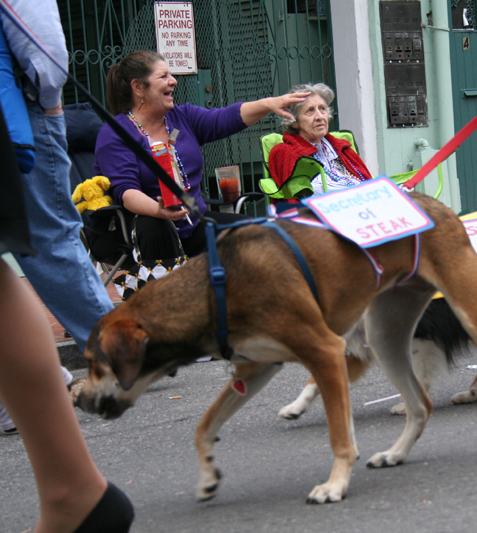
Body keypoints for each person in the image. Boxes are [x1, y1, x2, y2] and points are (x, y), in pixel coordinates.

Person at [0, 101, 133, 532]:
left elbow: (44, 46)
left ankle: (117, 350)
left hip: (23, 113)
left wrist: (47, 102)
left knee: (48, 242)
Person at [94, 51, 308, 297]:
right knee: (154, 224)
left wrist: (269, 104)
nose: (173, 81)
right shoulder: (115, 134)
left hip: (194, 224)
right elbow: (126, 192)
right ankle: (169, 314)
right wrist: (158, 209)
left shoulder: (181, 117)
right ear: (138, 87)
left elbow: (224, 118)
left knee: (265, 236)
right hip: (148, 231)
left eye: (171, 74)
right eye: (163, 76)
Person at [3, 0, 115, 354]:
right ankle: (117, 349)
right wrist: (49, 100)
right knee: (49, 238)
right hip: (21, 112)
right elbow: (44, 47)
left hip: (20, 110)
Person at [269, 82, 373, 198]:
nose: (320, 117)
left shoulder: (342, 148)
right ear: (294, 121)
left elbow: (369, 183)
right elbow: (297, 199)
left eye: (322, 109)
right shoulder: (285, 152)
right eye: (310, 111)